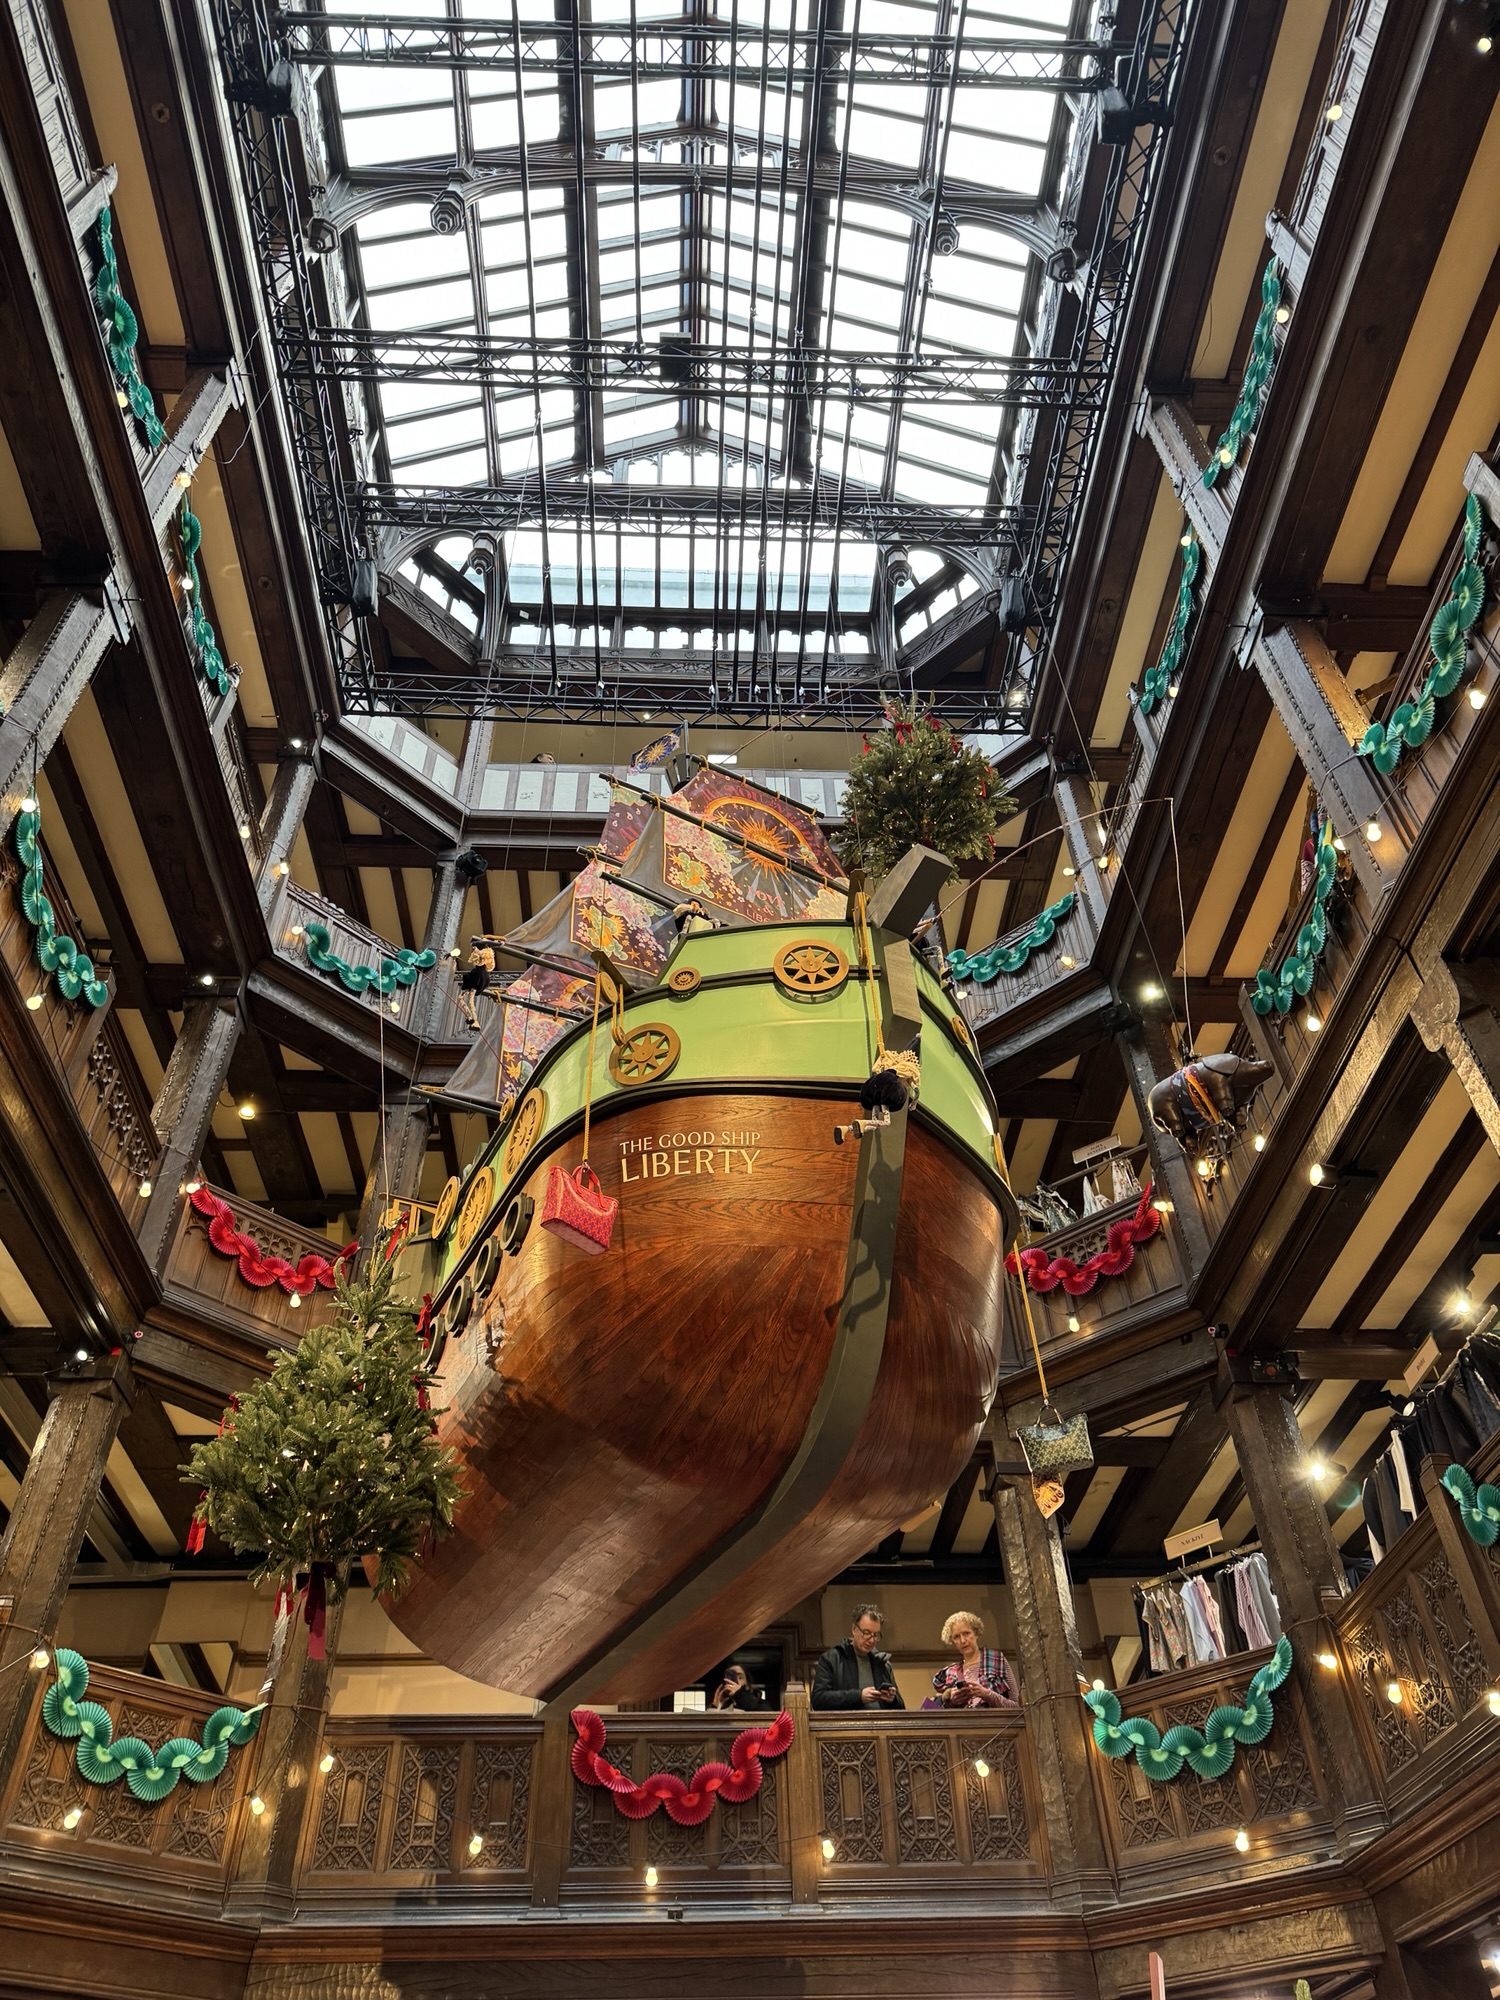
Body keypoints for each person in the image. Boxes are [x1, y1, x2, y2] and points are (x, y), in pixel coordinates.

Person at [811, 1605, 905, 1710]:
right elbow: (818, 1700)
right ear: (854, 1629)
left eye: (875, 1635)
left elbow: (901, 1707)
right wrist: (858, 1696)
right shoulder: (831, 1659)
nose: (871, 1640)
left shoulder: (883, 1663)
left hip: (881, 1719)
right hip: (848, 1720)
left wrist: (892, 1699)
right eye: (866, 1633)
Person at [930, 1610, 1016, 1708]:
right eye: (956, 1637)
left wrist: (988, 1695)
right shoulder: (950, 1672)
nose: (963, 1640)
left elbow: (1016, 1706)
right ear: (952, 1642)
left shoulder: (996, 1660)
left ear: (976, 1633)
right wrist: (952, 1702)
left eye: (966, 1633)